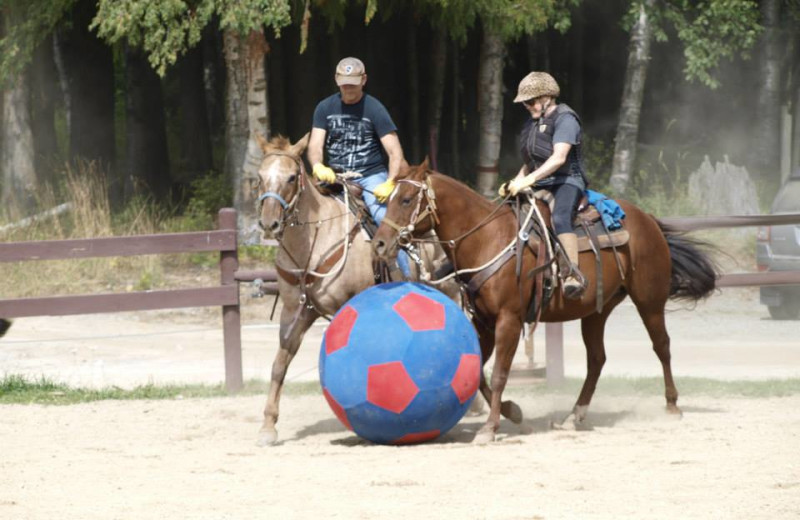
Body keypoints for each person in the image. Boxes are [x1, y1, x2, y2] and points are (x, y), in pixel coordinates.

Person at [307, 56, 410, 277]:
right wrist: (317, 166)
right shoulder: (324, 108)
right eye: (344, 82)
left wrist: (390, 182)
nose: (349, 88)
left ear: (363, 80)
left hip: (369, 175)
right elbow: (315, 145)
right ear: (336, 80)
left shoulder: (374, 108)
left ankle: (408, 274)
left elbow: (395, 152)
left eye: (353, 82)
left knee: (386, 219)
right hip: (335, 175)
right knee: (305, 210)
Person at [499, 71, 588, 300]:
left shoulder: (566, 119)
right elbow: (531, 162)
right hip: (541, 180)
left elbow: (559, 158)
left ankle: (572, 275)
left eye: (530, 101)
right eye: (525, 103)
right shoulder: (533, 123)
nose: (527, 106)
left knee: (559, 218)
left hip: (566, 180)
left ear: (547, 97)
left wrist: (530, 180)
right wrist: (516, 181)